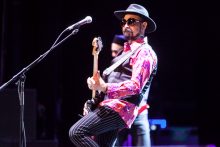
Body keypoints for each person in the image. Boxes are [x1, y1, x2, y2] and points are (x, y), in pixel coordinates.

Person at [69, 3, 158, 147]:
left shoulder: (144, 52)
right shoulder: (124, 53)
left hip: (121, 108)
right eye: (124, 22)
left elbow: (136, 86)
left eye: (131, 21)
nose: (126, 25)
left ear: (144, 25)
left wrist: (104, 87)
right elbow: (109, 84)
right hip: (110, 105)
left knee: (76, 132)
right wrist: (95, 98)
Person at [111, 34, 152, 146]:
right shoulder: (113, 69)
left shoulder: (141, 61)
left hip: (139, 113)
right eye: (112, 52)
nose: (114, 56)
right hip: (121, 115)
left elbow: (136, 87)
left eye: (117, 52)